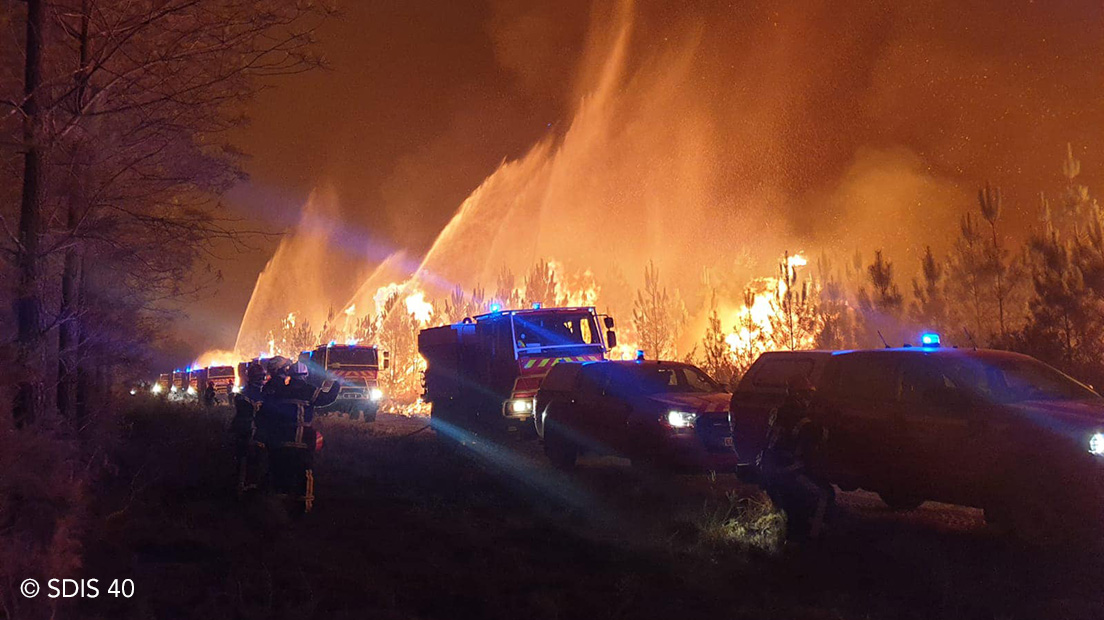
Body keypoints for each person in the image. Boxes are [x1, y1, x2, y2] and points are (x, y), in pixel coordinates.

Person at [256, 356, 340, 513]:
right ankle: (304, 507)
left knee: (282, 471)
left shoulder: (282, 391)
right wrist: (336, 382)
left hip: (283, 439)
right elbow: (327, 398)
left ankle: (278, 509)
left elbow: (268, 410)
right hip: (303, 440)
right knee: (305, 471)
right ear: (305, 375)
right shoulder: (310, 391)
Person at [759, 374, 833, 542]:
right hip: (785, 473)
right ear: (798, 394)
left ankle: (791, 538)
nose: (809, 398)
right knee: (824, 494)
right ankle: (811, 540)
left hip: (768, 469)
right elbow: (816, 441)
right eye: (807, 394)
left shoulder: (779, 411)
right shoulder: (801, 419)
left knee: (792, 513)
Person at [231, 362, 267, 495]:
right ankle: (249, 489)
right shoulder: (263, 395)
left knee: (242, 461)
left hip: (243, 432)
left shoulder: (242, 395)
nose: (262, 380)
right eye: (261, 377)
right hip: (254, 433)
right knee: (254, 461)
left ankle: (241, 487)